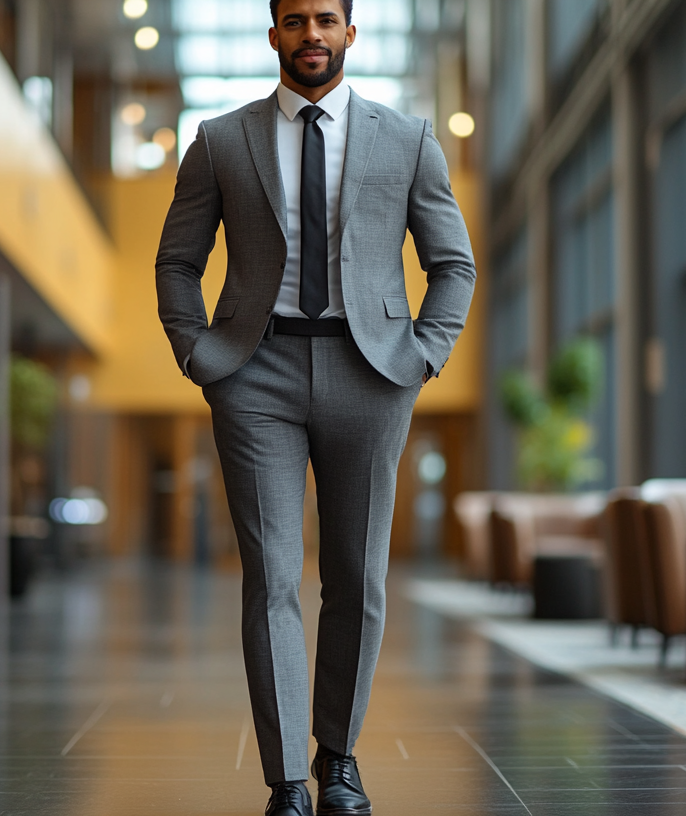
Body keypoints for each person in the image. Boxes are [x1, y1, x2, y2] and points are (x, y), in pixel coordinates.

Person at [156, 1, 476, 813]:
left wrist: (423, 355)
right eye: (294, 20)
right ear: (273, 35)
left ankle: (338, 759)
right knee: (270, 577)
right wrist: (201, 355)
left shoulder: (407, 140)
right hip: (253, 372)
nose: (311, 34)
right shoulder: (221, 140)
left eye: (325, 18)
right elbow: (176, 262)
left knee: (357, 577)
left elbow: (453, 264)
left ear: (349, 34)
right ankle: (286, 781)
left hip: (370, 372)